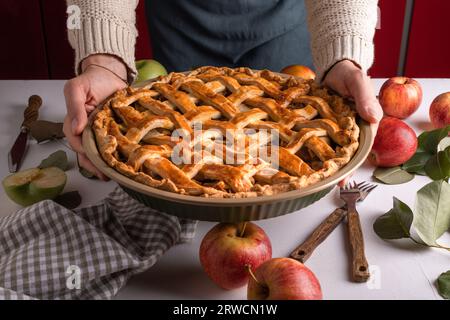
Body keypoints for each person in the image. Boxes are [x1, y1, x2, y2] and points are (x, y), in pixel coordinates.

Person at [64, 0, 383, 179]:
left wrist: (343, 58)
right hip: (181, 46)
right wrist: (104, 60)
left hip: (286, 63)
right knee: (180, 161)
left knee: (283, 164)